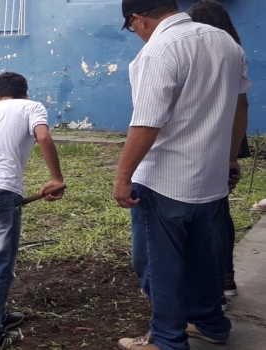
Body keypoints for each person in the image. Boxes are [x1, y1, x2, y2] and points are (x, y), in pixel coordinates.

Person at [113, 0, 251, 349]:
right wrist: (230, 158)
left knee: (158, 265)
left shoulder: (158, 51)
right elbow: (240, 105)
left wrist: (123, 176)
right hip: (210, 180)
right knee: (203, 258)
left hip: (165, 181)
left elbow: (146, 122)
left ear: (138, 19)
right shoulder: (226, 43)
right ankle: (209, 323)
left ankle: (167, 340)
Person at [0, 71, 64, 350]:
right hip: (1, 193)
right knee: (1, 266)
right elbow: (43, 138)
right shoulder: (31, 107)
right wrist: (56, 179)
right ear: (25, 93)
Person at [187, 0, 250, 303]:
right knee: (220, 210)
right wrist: (232, 155)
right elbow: (242, 105)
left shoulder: (195, 52)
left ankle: (217, 286)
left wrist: (227, 155)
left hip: (207, 139)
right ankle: (226, 279)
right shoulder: (233, 51)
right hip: (228, 137)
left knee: (212, 213)